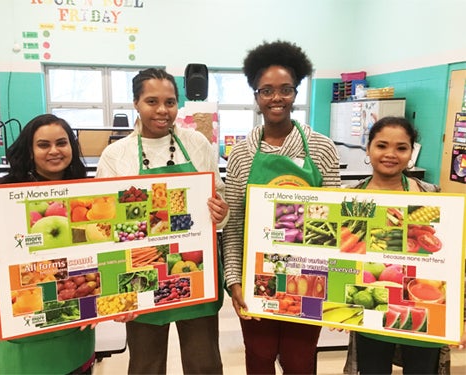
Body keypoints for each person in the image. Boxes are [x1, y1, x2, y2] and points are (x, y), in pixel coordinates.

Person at [95, 68, 229, 374]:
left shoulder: (196, 143)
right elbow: (106, 228)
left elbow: (219, 200)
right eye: (151, 101)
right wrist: (115, 292)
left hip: (195, 270)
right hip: (141, 272)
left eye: (170, 102)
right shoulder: (116, 155)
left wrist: (221, 213)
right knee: (145, 364)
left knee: (204, 363)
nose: (162, 110)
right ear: (136, 103)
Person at [222, 40, 341, 374]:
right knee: (258, 358)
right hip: (256, 277)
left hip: (309, 278)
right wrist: (234, 280)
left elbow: (334, 224)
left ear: (296, 91)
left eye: (285, 89)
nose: (276, 98)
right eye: (267, 90)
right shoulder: (243, 153)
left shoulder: (321, 148)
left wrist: (334, 283)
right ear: (256, 95)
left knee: (300, 361)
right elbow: (233, 225)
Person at [0, 114, 95, 374]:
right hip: (26, 320)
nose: (54, 151)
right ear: (29, 149)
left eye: (62, 142)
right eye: (43, 145)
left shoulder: (85, 191)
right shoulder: (3, 192)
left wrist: (102, 302)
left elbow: (99, 253)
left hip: (75, 313)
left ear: (72, 146)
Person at [342, 116, 464, 374]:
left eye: (401, 148)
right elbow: (341, 253)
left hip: (424, 310)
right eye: (382, 145)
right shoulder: (352, 198)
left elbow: (450, 258)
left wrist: (459, 316)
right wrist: (337, 304)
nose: (390, 154)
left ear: (411, 153)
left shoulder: (430, 195)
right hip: (371, 309)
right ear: (368, 148)